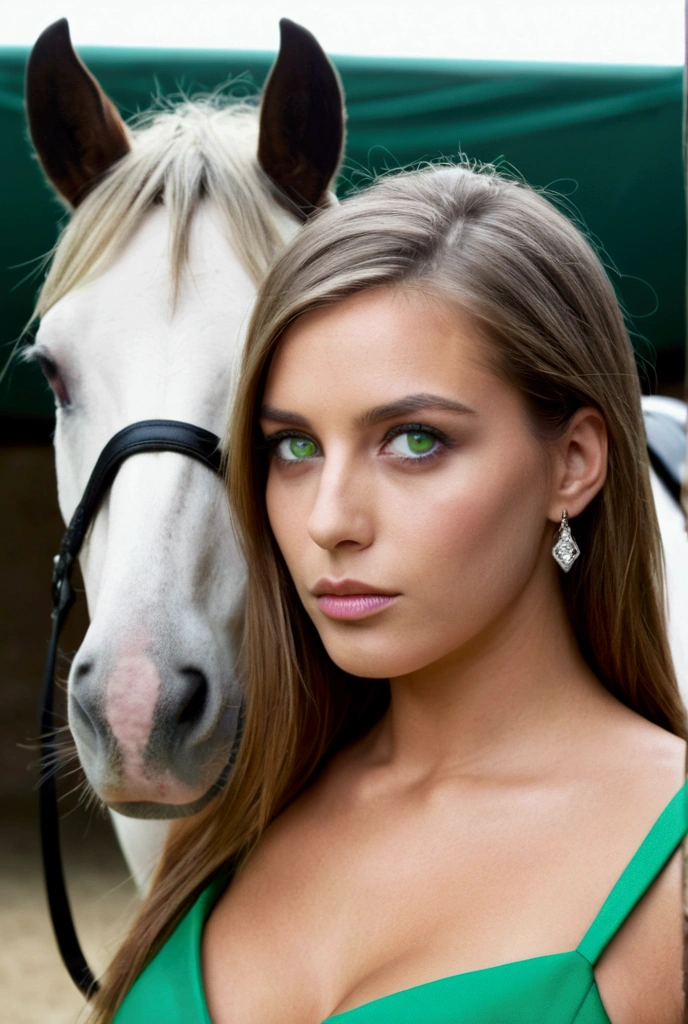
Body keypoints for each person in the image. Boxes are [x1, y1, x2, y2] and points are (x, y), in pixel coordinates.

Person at [98, 163, 688, 1024]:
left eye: (414, 440)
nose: (329, 520)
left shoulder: (669, 869)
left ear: (574, 463)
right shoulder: (233, 813)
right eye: (293, 447)